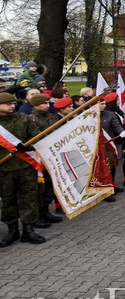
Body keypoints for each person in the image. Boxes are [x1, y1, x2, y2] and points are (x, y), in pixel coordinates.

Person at [0, 92, 46, 247]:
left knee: (29, 198)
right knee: (8, 200)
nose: (12, 106)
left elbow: (38, 138)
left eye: (13, 103)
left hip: (26, 167)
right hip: (4, 169)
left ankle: (28, 230)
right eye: (8, 104)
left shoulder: (24, 119)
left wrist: (26, 145)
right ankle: (12, 231)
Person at [28, 94, 64, 224]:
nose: (47, 105)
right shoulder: (31, 119)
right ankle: (37, 215)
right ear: (35, 105)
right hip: (39, 158)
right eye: (44, 103)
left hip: (51, 155)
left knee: (49, 186)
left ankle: (45, 211)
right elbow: (35, 138)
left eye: (48, 103)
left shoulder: (51, 117)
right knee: (40, 188)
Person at [100, 93, 125, 202]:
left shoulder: (110, 114)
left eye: (104, 103)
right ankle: (104, 191)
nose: (103, 105)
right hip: (96, 147)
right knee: (102, 169)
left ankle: (112, 185)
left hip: (108, 145)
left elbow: (116, 126)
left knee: (111, 166)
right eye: (101, 104)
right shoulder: (88, 116)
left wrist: (121, 132)